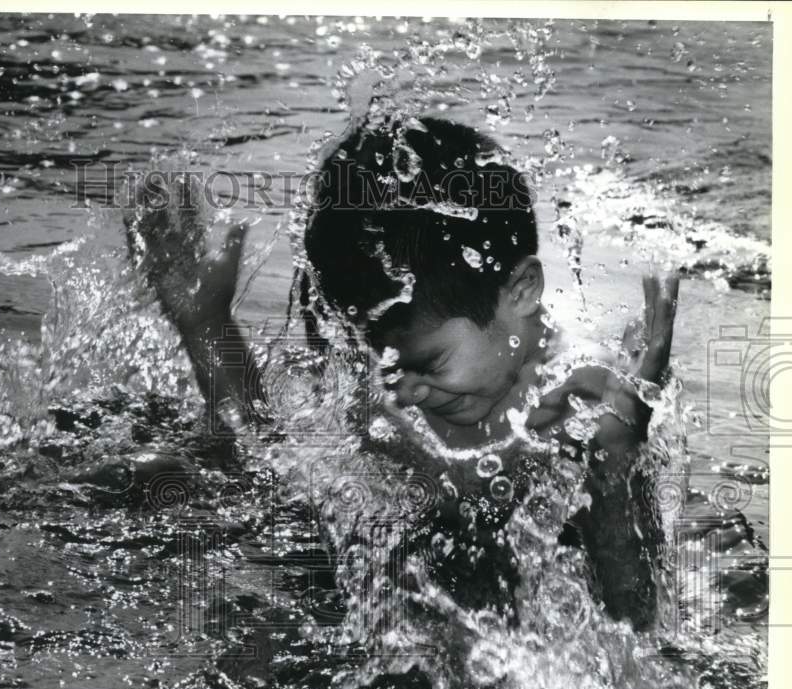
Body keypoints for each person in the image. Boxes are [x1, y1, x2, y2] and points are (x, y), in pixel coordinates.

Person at [126, 113, 679, 633]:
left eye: (427, 364)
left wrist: (618, 458)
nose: (403, 391)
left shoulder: (586, 404)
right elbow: (266, 464)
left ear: (523, 291)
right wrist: (205, 327)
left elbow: (635, 620)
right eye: (378, 360)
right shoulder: (389, 395)